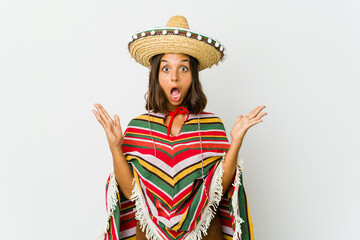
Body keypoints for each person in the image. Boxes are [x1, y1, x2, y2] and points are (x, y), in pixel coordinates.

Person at [93, 15, 266, 240]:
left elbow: (219, 188)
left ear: (193, 75)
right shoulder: (138, 127)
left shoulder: (211, 125)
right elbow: (130, 192)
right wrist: (115, 147)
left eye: (183, 69)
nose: (174, 77)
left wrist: (236, 142)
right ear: (155, 75)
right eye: (166, 69)